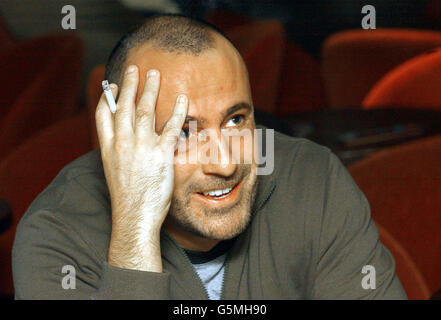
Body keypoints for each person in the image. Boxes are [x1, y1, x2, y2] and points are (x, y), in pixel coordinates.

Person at [12, 14, 406, 299]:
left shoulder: (313, 177)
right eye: (182, 132)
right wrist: (135, 231)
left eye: (236, 120)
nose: (226, 164)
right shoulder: (55, 233)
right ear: (121, 137)